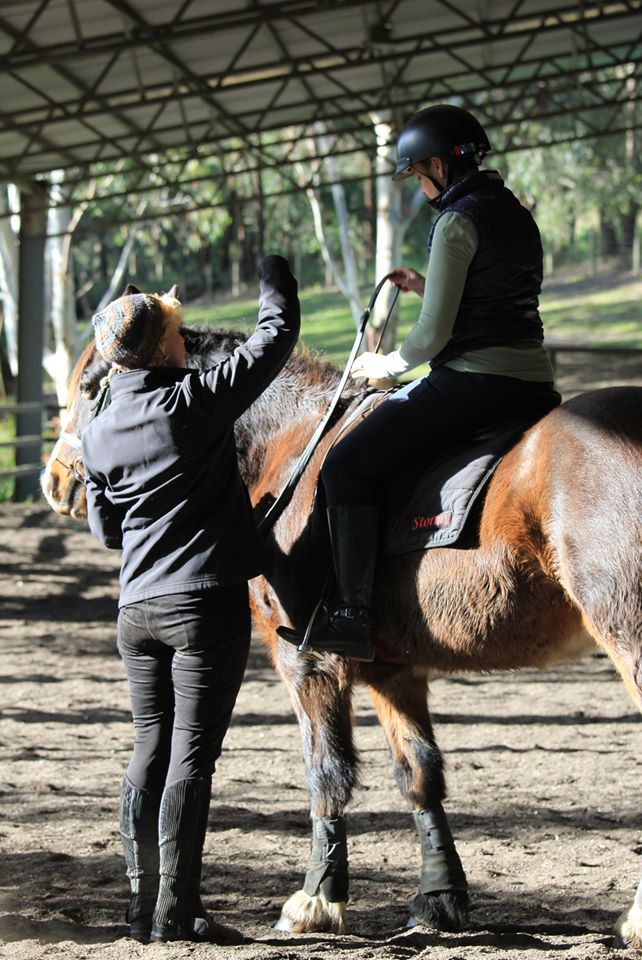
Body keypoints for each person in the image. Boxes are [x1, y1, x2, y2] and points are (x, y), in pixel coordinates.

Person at [278, 103, 555, 663]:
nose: (421, 187)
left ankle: (353, 615)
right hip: (532, 381)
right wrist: (428, 283)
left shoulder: (455, 221)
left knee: (346, 465)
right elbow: (493, 295)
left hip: (475, 382)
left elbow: (430, 339)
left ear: (437, 164)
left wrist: (384, 367)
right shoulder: (515, 213)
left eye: (420, 175)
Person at [81, 256, 300, 943]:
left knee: (150, 746)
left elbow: (106, 527)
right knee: (191, 759)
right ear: (166, 347)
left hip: (135, 610)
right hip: (201, 605)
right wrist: (272, 275)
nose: (185, 338)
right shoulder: (191, 400)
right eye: (176, 333)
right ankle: (177, 915)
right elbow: (276, 338)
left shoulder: (97, 429)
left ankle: (142, 909)